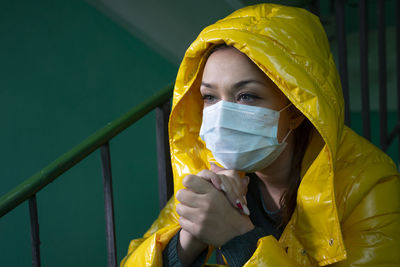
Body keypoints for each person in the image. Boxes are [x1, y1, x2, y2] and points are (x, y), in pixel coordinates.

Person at [121, 3, 400, 266]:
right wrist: (188, 238)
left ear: (296, 110)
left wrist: (238, 238)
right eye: (209, 96)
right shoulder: (209, 173)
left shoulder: (370, 186)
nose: (223, 115)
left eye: (246, 96)